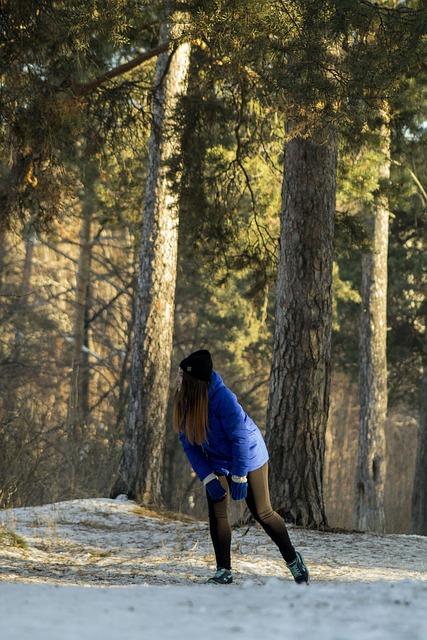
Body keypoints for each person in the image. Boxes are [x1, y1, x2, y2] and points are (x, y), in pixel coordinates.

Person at [173, 349, 309, 585]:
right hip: (217, 458)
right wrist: (207, 477)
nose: (176, 380)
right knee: (218, 511)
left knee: (263, 512)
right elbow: (189, 445)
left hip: (248, 453)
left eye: (180, 375)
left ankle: (293, 560)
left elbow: (240, 438)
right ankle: (223, 570)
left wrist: (239, 476)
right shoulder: (184, 402)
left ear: (193, 380)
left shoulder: (223, 399)